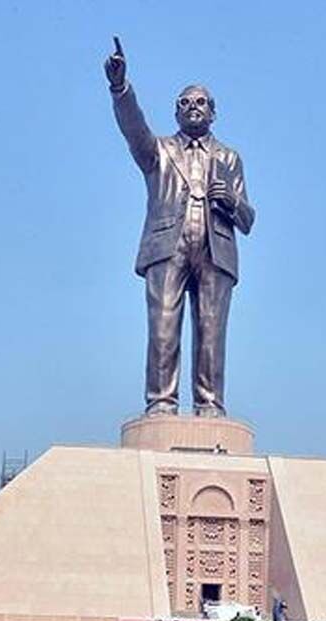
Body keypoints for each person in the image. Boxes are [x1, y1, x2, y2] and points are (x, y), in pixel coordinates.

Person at [104, 38, 256, 418]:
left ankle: (209, 405)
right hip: (167, 244)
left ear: (213, 112)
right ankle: (161, 403)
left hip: (215, 247)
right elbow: (134, 130)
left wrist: (232, 201)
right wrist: (121, 89)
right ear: (175, 112)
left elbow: (249, 220)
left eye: (200, 102)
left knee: (211, 332)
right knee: (162, 327)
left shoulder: (229, 157)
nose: (192, 107)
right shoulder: (159, 152)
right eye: (185, 102)